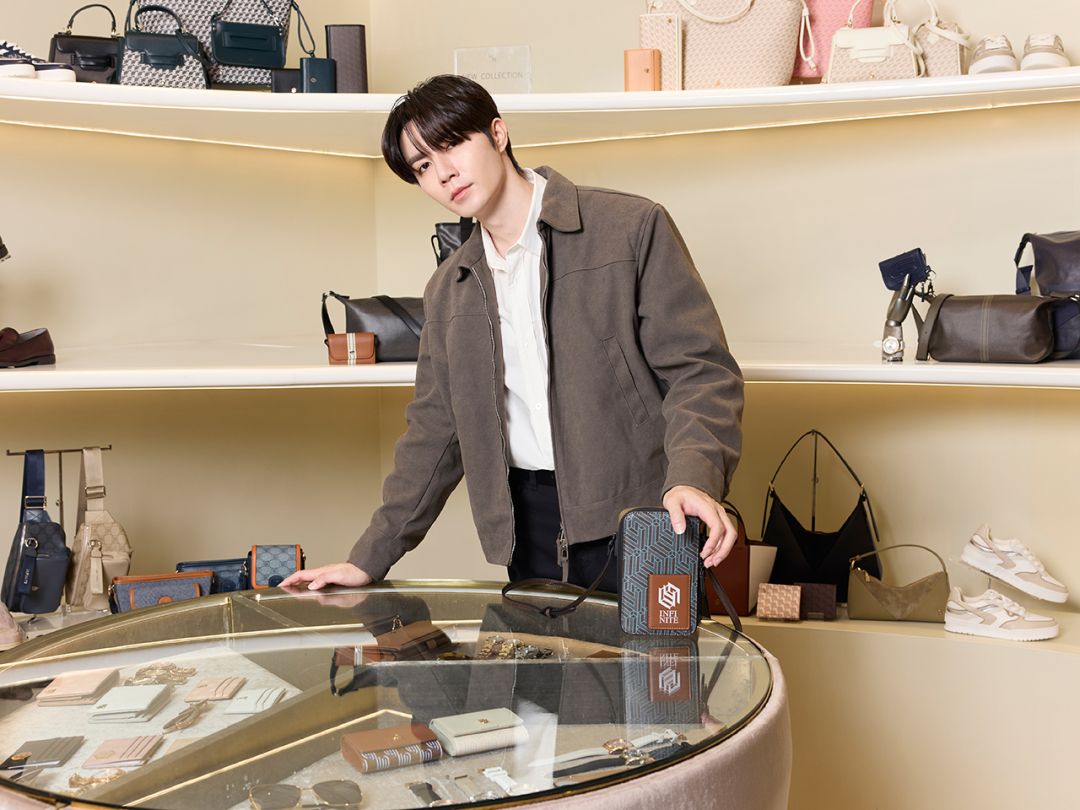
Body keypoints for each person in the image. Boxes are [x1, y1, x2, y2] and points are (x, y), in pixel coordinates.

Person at [282, 75, 744, 594]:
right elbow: (435, 431)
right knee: (537, 652)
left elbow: (700, 374)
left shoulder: (630, 229)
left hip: (646, 515)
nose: (443, 173)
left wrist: (693, 478)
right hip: (527, 531)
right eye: (423, 166)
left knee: (654, 652)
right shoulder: (450, 289)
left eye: (451, 144)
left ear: (497, 134)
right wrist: (368, 558)